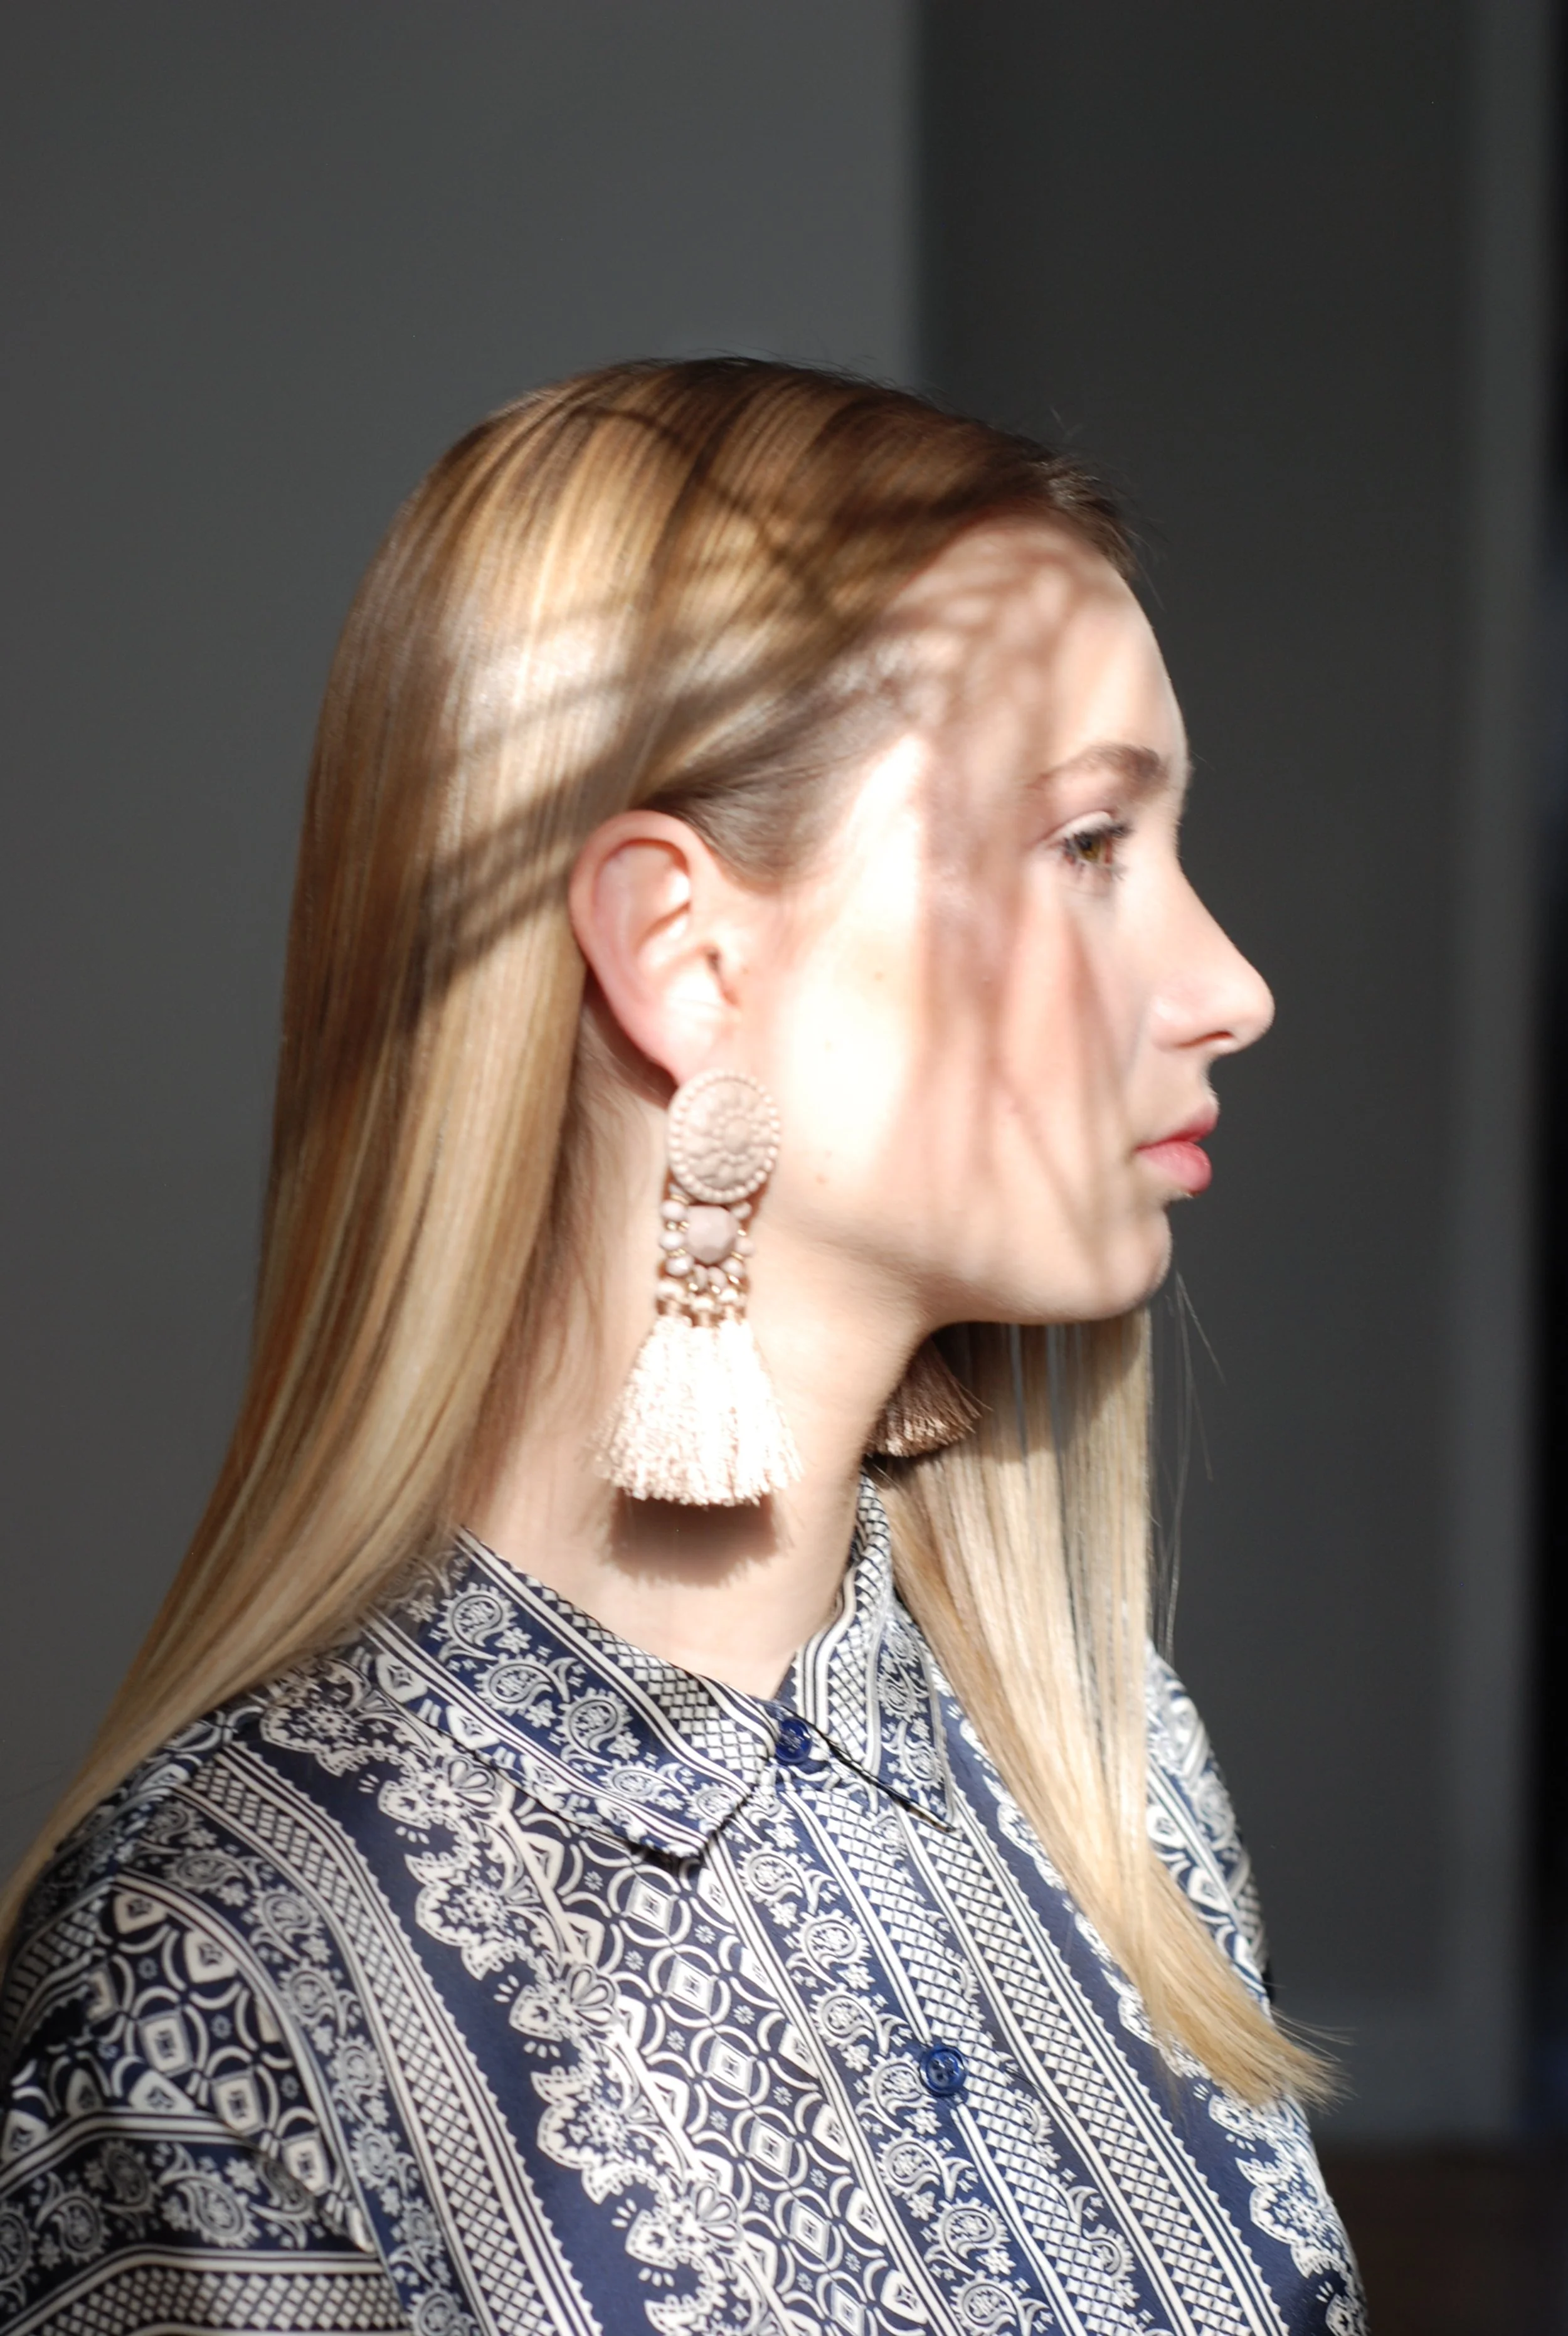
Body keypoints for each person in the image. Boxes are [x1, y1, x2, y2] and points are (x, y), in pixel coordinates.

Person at [0, 361, 1363, 2336]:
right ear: (685, 953)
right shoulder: (210, 1980)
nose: (1224, 983)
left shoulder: (1114, 1770)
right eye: (1086, 844)